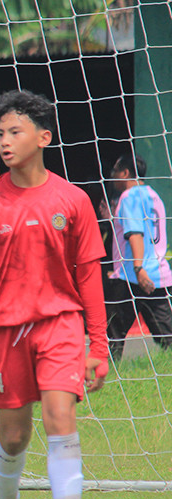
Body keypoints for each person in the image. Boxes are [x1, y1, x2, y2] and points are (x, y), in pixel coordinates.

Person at [0, 89, 109, 499]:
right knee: (14, 436)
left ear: (43, 137)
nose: (4, 141)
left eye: (14, 131)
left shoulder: (73, 200)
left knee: (60, 417)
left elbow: (89, 276)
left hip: (60, 325)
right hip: (5, 333)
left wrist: (98, 346)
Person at [102, 153, 172, 359]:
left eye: (115, 171)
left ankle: (112, 372)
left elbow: (135, 234)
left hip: (133, 276)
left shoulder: (129, 196)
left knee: (113, 330)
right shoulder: (153, 196)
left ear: (125, 173)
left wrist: (138, 268)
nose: (112, 175)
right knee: (167, 336)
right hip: (158, 275)